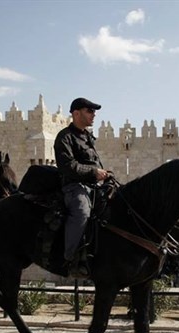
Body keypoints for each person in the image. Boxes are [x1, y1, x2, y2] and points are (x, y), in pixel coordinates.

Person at [54, 97, 111, 277]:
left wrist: (107, 176)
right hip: (74, 186)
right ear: (76, 113)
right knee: (82, 211)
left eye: (94, 112)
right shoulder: (65, 137)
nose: (93, 115)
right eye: (90, 111)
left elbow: (95, 162)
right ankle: (70, 259)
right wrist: (94, 172)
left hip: (93, 186)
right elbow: (68, 166)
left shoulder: (88, 138)